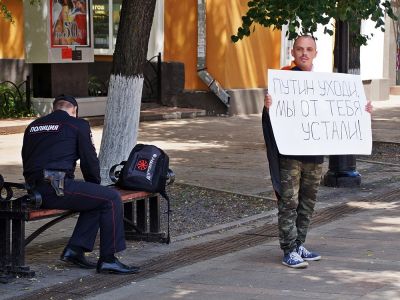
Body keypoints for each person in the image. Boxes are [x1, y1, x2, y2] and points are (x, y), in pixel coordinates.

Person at [262, 35, 373, 268]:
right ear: (293, 52)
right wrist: (268, 108)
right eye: (300, 49)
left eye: (309, 49)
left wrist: (362, 110)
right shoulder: (284, 79)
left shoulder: (324, 83)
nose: (304, 53)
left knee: (308, 202)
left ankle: (299, 244)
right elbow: (272, 120)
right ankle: (288, 249)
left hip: (314, 155)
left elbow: (337, 111)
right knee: (288, 202)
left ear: (315, 53)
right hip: (290, 155)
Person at [22, 94, 139, 275]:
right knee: (111, 198)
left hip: (33, 189)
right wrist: (96, 185)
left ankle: (75, 250)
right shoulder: (77, 125)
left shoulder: (33, 126)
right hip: (56, 187)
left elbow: (27, 158)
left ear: (55, 108)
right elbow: (89, 161)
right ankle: (108, 259)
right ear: (74, 111)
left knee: (95, 200)